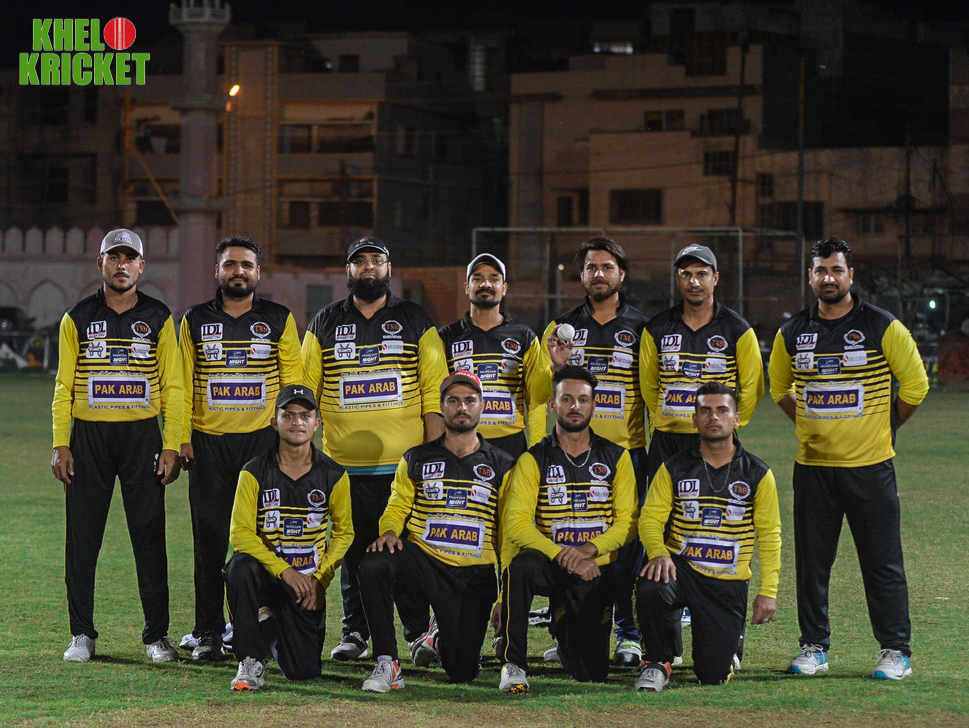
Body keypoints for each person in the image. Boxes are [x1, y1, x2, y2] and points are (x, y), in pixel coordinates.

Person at [768, 238, 928, 681]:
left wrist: (884, 427)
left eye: (836, 270)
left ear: (850, 275)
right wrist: (809, 424)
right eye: (820, 270)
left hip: (871, 468)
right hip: (813, 469)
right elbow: (778, 388)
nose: (829, 278)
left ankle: (895, 650)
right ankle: (814, 647)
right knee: (813, 565)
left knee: (882, 564)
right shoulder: (792, 332)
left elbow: (916, 387)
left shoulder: (881, 325)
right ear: (810, 277)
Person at [302, 236, 449, 661]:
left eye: (377, 260)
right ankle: (355, 631)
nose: (369, 267)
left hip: (404, 468)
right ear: (348, 270)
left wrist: (431, 458)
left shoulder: (415, 318)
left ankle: (417, 633)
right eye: (360, 261)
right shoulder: (324, 321)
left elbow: (433, 393)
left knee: (407, 552)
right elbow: (306, 393)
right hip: (344, 466)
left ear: (389, 268)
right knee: (352, 551)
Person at [51, 228, 183, 663]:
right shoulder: (77, 317)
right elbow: (64, 386)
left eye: (129, 258)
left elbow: (174, 386)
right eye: (114, 257)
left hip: (142, 438)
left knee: (149, 537)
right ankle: (81, 634)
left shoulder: (159, 316)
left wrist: (171, 443)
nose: (121, 264)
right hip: (89, 439)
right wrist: (61, 442)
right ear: (101, 263)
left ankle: (156, 636)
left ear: (141, 266)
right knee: (82, 540)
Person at [178, 236, 304, 660]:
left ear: (258, 272)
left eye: (246, 265)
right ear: (217, 271)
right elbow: (180, 385)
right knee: (209, 542)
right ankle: (209, 631)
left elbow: (294, 385)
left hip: (262, 446)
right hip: (208, 445)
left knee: (265, 542)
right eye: (230, 264)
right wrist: (180, 438)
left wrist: (292, 442)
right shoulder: (195, 320)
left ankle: (257, 628)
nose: (238, 271)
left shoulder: (278, 318)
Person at [639, 243, 764, 660]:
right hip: (668, 441)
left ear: (716, 279)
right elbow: (648, 384)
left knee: (720, 531)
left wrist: (726, 428)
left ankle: (728, 632)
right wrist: (669, 419)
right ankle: (667, 641)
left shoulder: (738, 329)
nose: (694, 281)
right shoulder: (657, 327)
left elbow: (752, 386)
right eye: (686, 274)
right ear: (678, 279)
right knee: (664, 531)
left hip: (714, 443)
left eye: (702, 274)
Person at [357, 371, 515, 692]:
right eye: (453, 400)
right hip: (424, 561)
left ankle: (439, 636)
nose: (461, 407)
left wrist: (505, 597)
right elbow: (396, 506)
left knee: (461, 671)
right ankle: (388, 662)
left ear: (482, 406)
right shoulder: (416, 457)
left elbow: (509, 534)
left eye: (469, 400)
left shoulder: (503, 464)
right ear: (442, 407)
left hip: (472, 573)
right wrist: (389, 531)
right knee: (376, 562)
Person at [497, 365, 637, 693]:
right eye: (567, 399)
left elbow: (628, 523)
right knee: (521, 566)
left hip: (593, 567)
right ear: (552, 404)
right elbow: (516, 524)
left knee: (590, 673)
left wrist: (588, 551)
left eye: (583, 400)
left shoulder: (617, 457)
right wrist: (562, 555)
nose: (575, 406)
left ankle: (562, 622)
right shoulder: (533, 459)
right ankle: (513, 664)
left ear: (594, 405)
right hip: (550, 563)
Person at [634, 382, 781, 691]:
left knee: (712, 675)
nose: (713, 417)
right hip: (681, 570)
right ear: (694, 420)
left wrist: (768, 591)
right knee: (651, 583)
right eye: (705, 411)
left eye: (722, 410)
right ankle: (657, 661)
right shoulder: (673, 467)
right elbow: (650, 518)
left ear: (736, 418)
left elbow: (770, 535)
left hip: (727, 581)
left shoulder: (758, 473)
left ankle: (727, 647)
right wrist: (658, 552)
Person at [543, 237, 648, 666]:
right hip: (570, 455)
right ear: (581, 274)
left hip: (625, 454)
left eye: (607, 267)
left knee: (625, 549)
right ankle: (564, 629)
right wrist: (556, 365)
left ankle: (628, 633)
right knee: (565, 537)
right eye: (591, 267)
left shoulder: (643, 328)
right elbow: (547, 392)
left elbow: (653, 391)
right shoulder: (561, 328)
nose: (598, 274)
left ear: (621, 274)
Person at [224, 384, 353, 691]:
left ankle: (266, 625)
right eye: (289, 415)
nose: (297, 422)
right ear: (275, 422)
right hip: (267, 576)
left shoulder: (334, 475)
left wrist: (320, 580)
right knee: (239, 567)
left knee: (303, 671)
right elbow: (240, 533)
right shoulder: (253, 472)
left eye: (305, 415)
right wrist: (284, 570)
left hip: (305, 584)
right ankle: (250, 660)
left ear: (317, 423)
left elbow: (344, 532)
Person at [437, 253, 546, 459]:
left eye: (494, 279)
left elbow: (535, 400)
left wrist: (537, 449)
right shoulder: (446, 336)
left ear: (504, 288)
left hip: (511, 445)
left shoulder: (524, 336)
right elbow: (435, 397)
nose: (485, 284)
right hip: (460, 444)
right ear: (466, 287)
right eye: (477, 278)